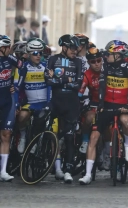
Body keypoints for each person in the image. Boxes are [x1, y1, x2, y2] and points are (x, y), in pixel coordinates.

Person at [79, 40, 128, 185]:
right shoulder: (105, 67)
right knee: (94, 137)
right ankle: (88, 174)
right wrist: (100, 105)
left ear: (118, 55)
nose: (106, 56)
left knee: (126, 122)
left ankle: (126, 143)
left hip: (122, 106)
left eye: (109, 54)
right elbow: (101, 88)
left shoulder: (127, 67)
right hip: (106, 105)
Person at [45, 34, 82, 183]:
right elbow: (48, 80)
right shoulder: (52, 60)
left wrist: (58, 80)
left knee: (68, 137)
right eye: (72, 48)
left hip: (71, 103)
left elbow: (78, 84)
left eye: (77, 48)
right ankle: (51, 164)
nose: (75, 51)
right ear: (64, 47)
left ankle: (68, 170)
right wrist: (68, 80)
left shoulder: (78, 62)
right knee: (45, 126)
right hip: (56, 101)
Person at [14, 38, 51, 154]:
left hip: (44, 103)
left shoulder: (46, 66)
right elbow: (16, 88)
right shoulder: (23, 68)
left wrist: (50, 102)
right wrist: (16, 104)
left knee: (40, 122)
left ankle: (35, 142)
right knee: (21, 116)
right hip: (31, 103)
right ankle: (23, 136)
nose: (38, 56)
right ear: (29, 54)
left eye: (40, 53)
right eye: (35, 53)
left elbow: (51, 86)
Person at [0, 35, 23, 181]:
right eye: (9, 48)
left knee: (6, 135)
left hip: (7, 101)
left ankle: (3, 171)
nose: (10, 50)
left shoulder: (10, 59)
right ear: (3, 48)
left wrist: (16, 85)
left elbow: (24, 67)